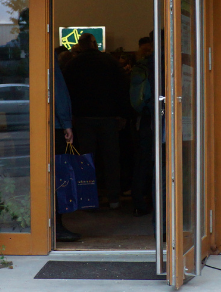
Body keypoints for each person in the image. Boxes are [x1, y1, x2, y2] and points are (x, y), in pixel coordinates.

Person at [63, 33, 131, 208]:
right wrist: (122, 114)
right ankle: (114, 198)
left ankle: (89, 199)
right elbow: (122, 88)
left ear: (80, 45)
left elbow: (67, 92)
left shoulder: (73, 64)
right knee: (111, 159)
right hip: (108, 117)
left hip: (83, 118)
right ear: (94, 44)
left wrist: (70, 117)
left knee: (86, 160)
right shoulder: (109, 62)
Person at [53, 59, 80, 242]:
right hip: (52, 125)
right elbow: (58, 91)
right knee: (58, 176)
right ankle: (56, 226)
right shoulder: (47, 54)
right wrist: (66, 123)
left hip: (27, 124)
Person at [129, 36, 155, 216]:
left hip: (145, 118)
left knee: (143, 162)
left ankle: (139, 202)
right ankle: (159, 202)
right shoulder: (161, 65)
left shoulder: (139, 68)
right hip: (157, 116)